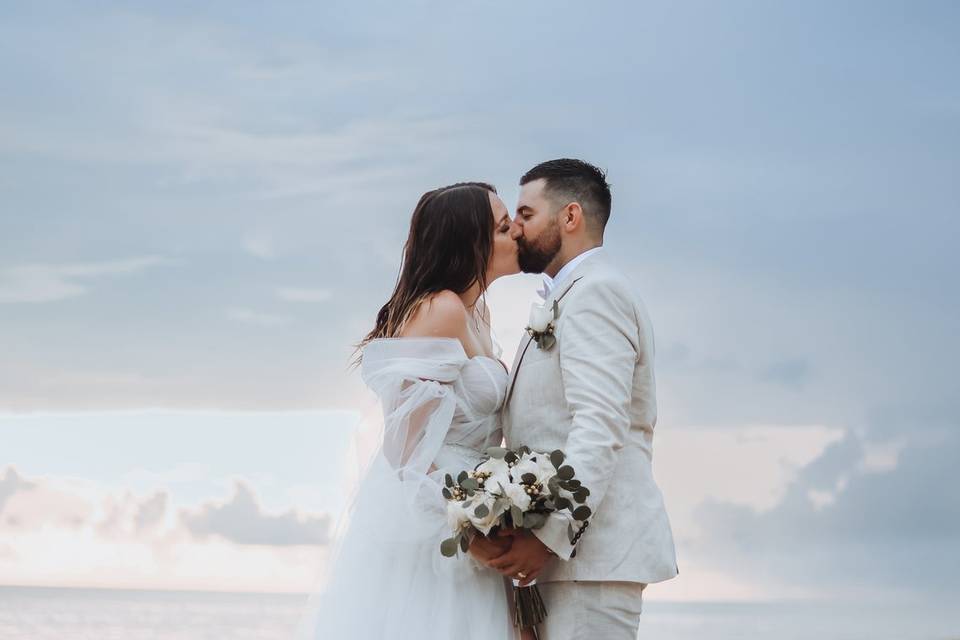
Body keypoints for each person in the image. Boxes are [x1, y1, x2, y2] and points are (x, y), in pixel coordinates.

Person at [298, 182, 521, 639]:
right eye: (502, 227)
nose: (516, 232)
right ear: (470, 242)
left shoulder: (476, 313)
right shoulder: (441, 309)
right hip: (438, 526)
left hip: (475, 502)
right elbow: (405, 451)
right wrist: (468, 530)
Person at [487, 159, 679, 639]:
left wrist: (549, 539)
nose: (515, 228)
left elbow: (600, 426)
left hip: (591, 564)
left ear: (569, 217)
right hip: (567, 566)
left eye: (527, 214)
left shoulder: (597, 294)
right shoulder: (565, 295)